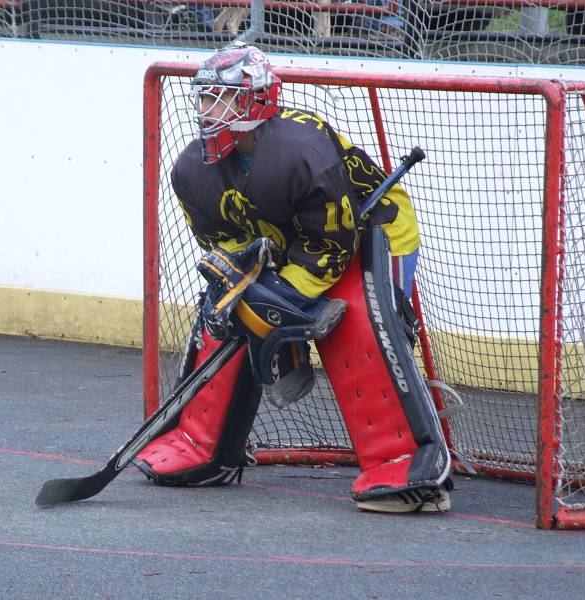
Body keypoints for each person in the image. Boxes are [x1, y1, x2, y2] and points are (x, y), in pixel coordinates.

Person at [135, 42, 452, 513]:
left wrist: (280, 303)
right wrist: (243, 287)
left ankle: (413, 472)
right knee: (227, 314)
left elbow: (332, 244)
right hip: (290, 237)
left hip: (371, 229)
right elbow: (221, 242)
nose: (206, 110)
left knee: (364, 325)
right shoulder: (192, 169)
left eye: (219, 98)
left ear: (254, 101)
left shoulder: (300, 153)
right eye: (202, 98)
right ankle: (204, 449)